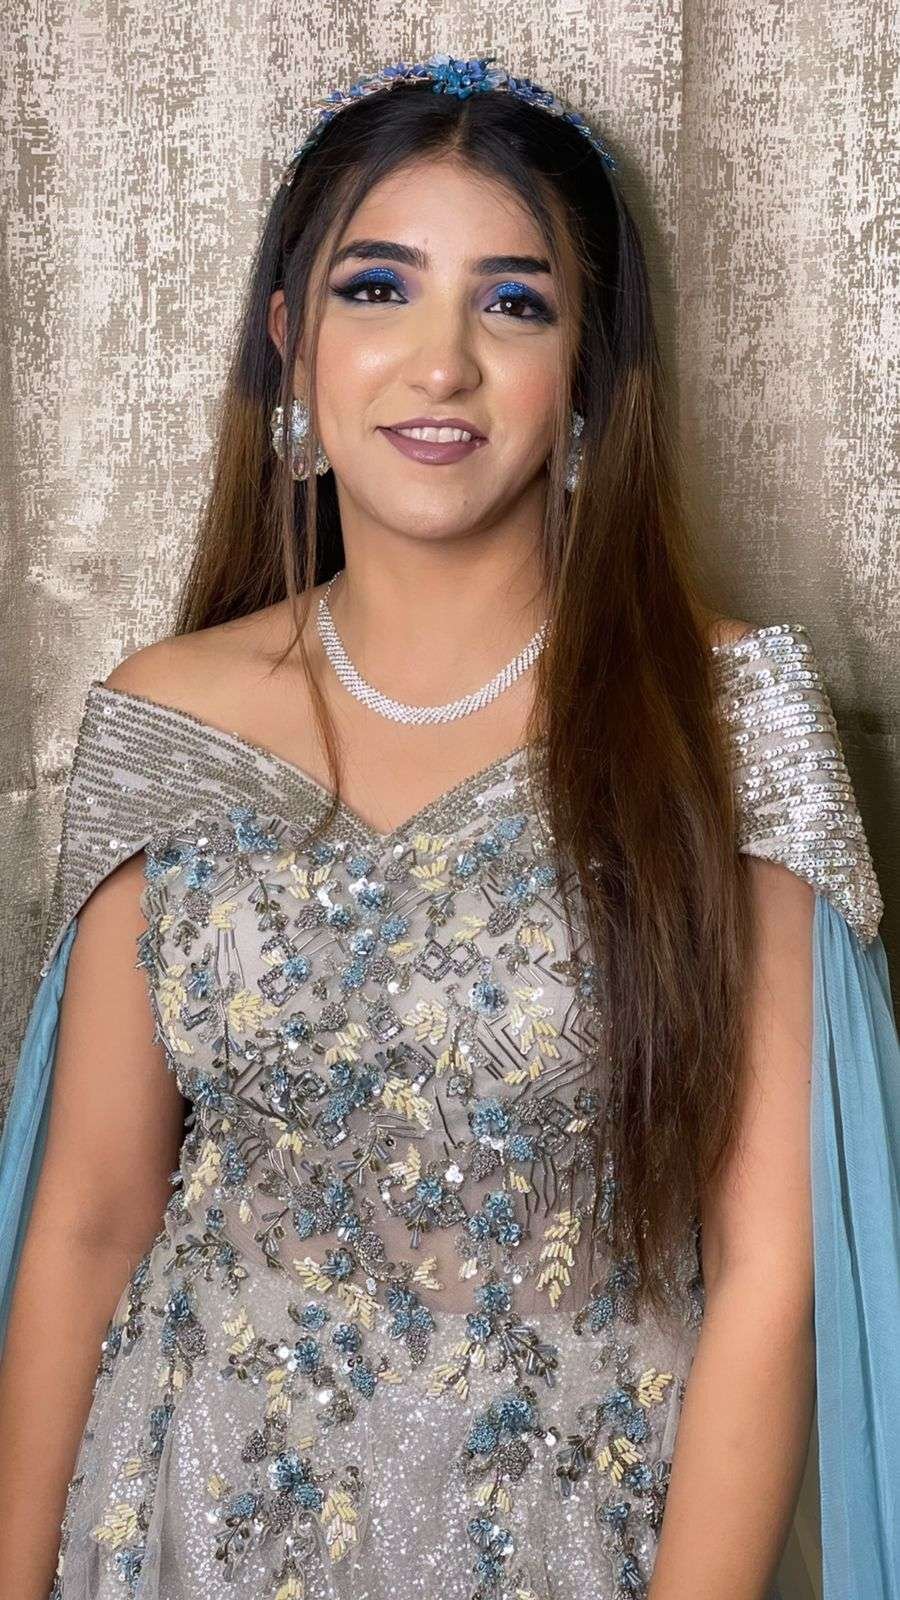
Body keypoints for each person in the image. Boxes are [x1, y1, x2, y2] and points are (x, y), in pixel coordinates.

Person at [0, 51, 896, 1600]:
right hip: (177, 1528)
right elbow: (87, 1221)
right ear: (290, 342)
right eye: (377, 289)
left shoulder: (720, 720)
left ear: (589, 371)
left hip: (568, 1543)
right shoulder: (168, 716)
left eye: (513, 304)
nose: (441, 365)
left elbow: (775, 1271)